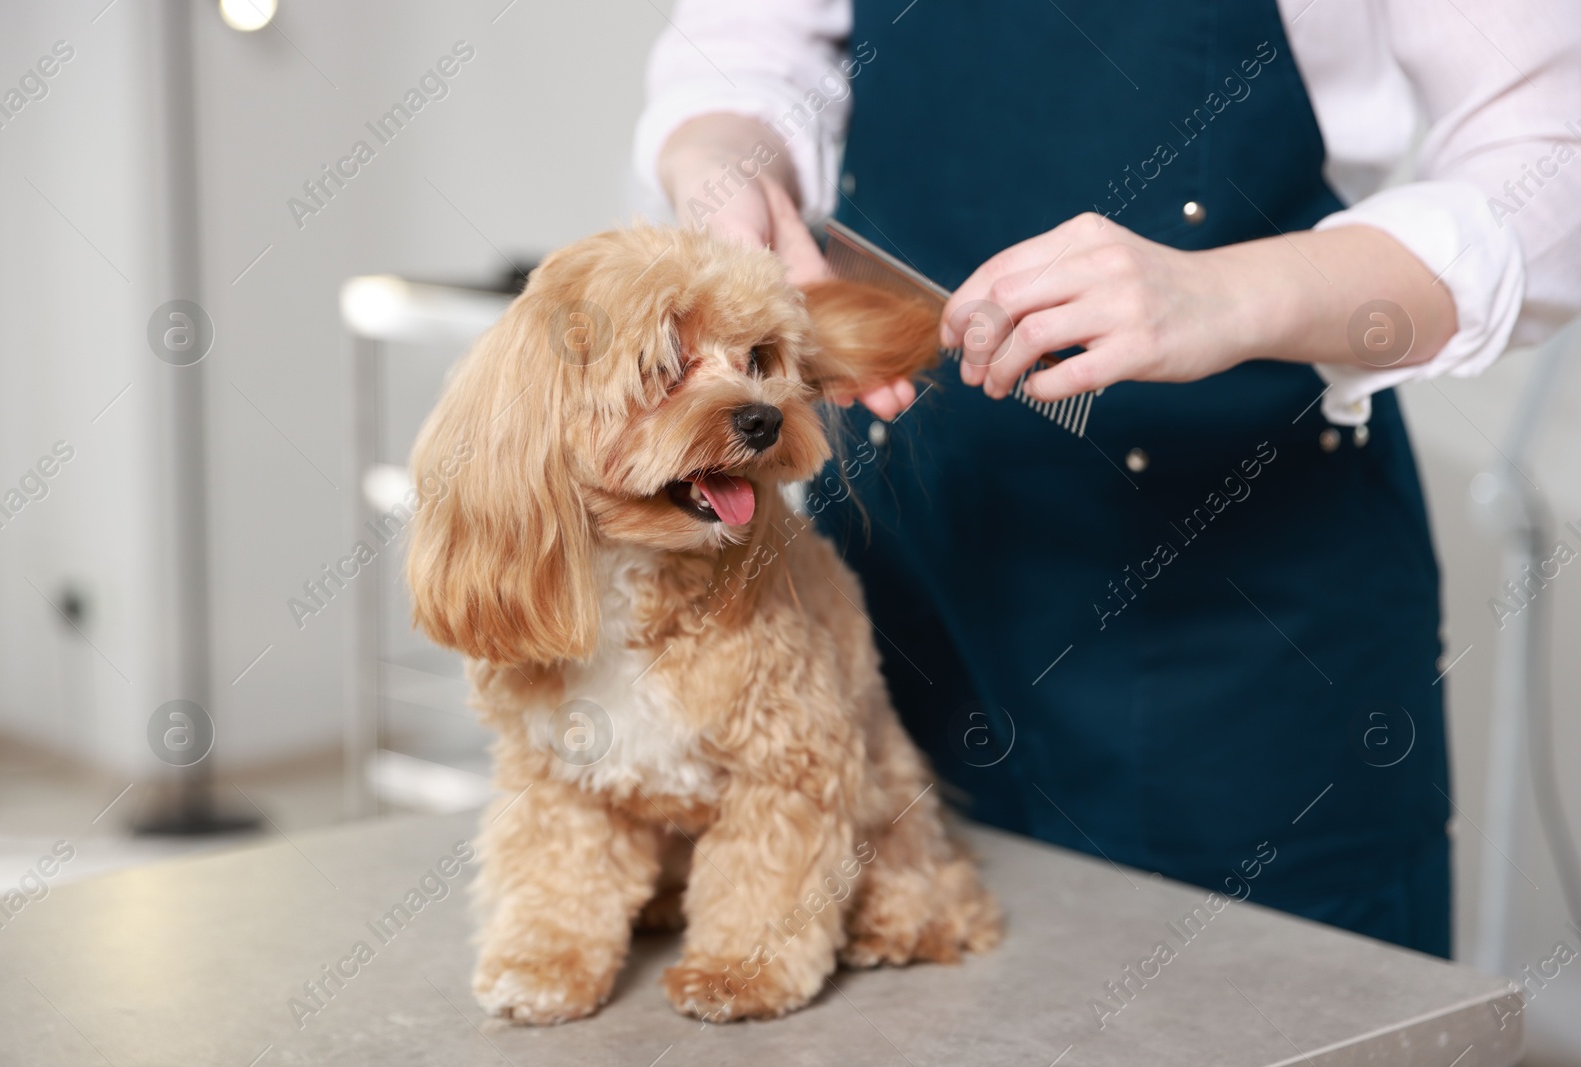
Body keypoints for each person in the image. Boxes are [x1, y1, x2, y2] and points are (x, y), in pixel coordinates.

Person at [634, 0, 1581, 957]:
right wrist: (726, 167)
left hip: (1244, 634)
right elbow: (743, 53)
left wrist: (1232, 291)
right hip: (896, 584)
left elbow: (1551, 163)